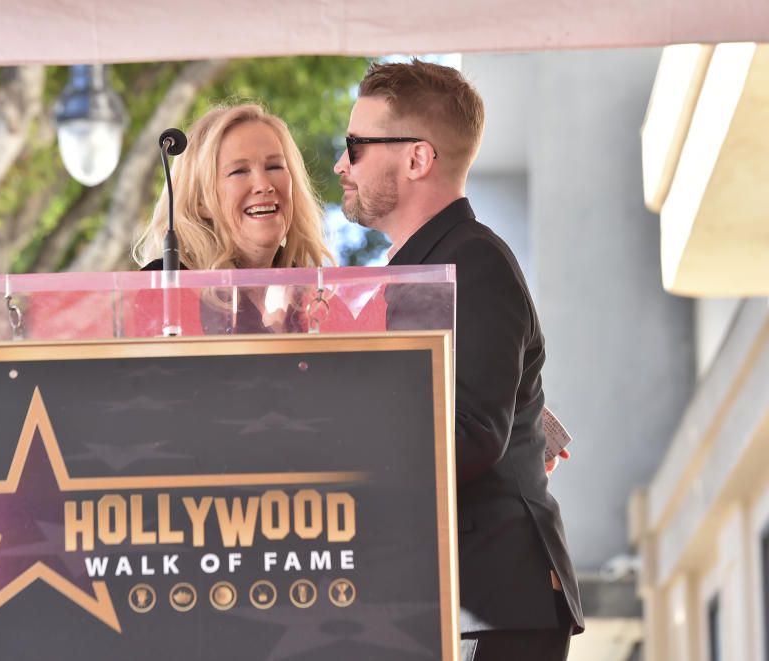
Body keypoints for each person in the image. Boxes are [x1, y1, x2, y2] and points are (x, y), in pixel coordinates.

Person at [334, 59, 584, 659]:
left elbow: (472, 433)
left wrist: (332, 451)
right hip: (459, 601)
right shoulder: (426, 269)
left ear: (417, 158)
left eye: (356, 146)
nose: (342, 165)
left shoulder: (472, 263)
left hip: (490, 605)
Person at [136, 104, 331, 271]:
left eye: (274, 166)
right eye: (239, 171)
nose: (264, 185)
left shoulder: (313, 296)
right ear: (200, 201)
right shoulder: (164, 286)